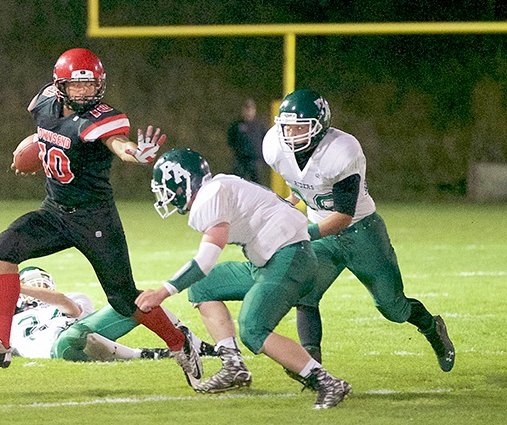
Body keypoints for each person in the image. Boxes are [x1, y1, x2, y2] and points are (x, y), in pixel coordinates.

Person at [0, 48, 203, 386]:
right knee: (3, 249)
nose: (85, 92)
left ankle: (180, 342)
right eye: (76, 86)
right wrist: (33, 150)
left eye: (91, 86)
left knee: (123, 298)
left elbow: (119, 144)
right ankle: (1, 343)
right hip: (55, 212)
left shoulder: (101, 119)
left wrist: (136, 153)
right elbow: (45, 134)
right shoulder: (44, 102)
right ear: (59, 85)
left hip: (94, 220)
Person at [135, 148, 351, 409]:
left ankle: (327, 382)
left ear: (182, 181)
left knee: (253, 328)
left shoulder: (210, 195)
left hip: (289, 257)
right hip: (270, 259)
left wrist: (162, 292)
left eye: (167, 187)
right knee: (203, 286)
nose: (167, 196)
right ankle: (233, 366)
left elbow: (205, 260)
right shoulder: (219, 185)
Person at [262, 89, 455, 371]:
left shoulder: (341, 151)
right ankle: (313, 370)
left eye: (299, 128)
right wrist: (286, 206)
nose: (291, 134)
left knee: (394, 308)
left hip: (360, 231)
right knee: (305, 292)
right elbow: (301, 185)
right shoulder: (275, 147)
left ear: (319, 126)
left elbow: (342, 216)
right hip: (320, 231)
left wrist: (303, 233)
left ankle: (431, 328)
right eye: (287, 127)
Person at [0, 266, 177, 362]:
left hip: (84, 335)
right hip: (59, 348)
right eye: (33, 285)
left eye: (41, 284)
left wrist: (16, 285)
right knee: (69, 338)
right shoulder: (6, 324)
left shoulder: (72, 297)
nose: (40, 289)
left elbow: (68, 306)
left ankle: (189, 343)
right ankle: (141, 355)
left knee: (138, 300)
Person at [226, 98, 268, 184]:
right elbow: (231, 139)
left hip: (255, 160)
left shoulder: (259, 125)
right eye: (246, 109)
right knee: (238, 182)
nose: (249, 112)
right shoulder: (237, 124)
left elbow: (265, 139)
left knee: (256, 184)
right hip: (241, 160)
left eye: (251, 109)